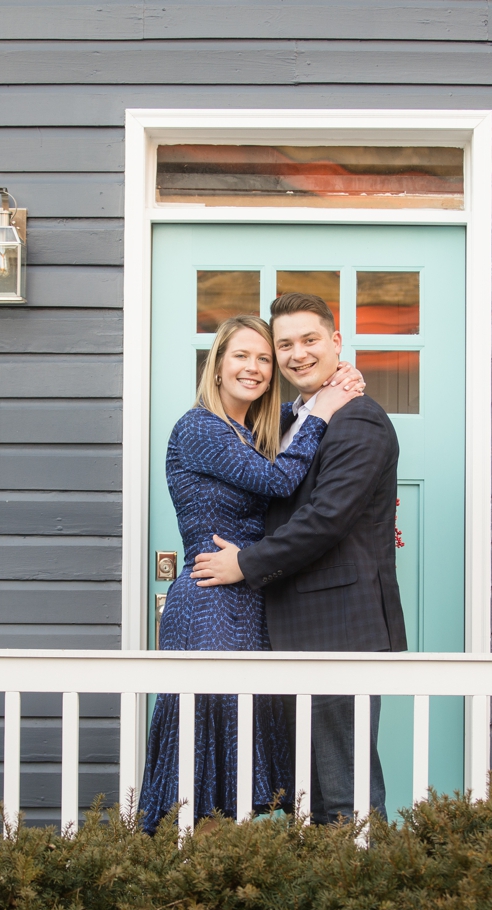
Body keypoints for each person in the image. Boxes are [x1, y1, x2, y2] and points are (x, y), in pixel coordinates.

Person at [137, 315, 364, 834]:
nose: (255, 367)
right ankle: (187, 886)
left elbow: (276, 426)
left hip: (248, 603)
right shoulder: (198, 427)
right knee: (208, 752)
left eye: (265, 359)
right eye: (241, 355)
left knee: (238, 756)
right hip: (210, 603)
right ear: (217, 365)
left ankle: (223, 887)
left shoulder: (247, 431)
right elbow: (279, 478)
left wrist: (319, 393)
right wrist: (322, 411)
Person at [192, 291, 405, 826]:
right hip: (289, 631)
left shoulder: (361, 422)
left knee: (344, 792)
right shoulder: (294, 419)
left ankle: (366, 903)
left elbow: (326, 520)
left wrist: (247, 564)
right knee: (305, 798)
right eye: (283, 345)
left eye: (309, 340)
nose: (296, 354)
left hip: (341, 633)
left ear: (336, 343)